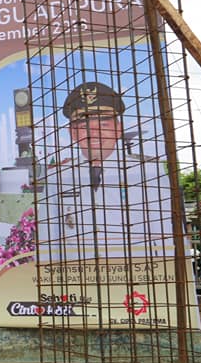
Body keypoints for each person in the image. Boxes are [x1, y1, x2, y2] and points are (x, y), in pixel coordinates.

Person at [36, 81, 168, 262]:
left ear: (118, 129)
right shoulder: (58, 177)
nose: (94, 133)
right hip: (78, 280)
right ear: (72, 133)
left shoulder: (148, 172)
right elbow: (48, 242)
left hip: (137, 281)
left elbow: (168, 237)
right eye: (84, 126)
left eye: (103, 125)